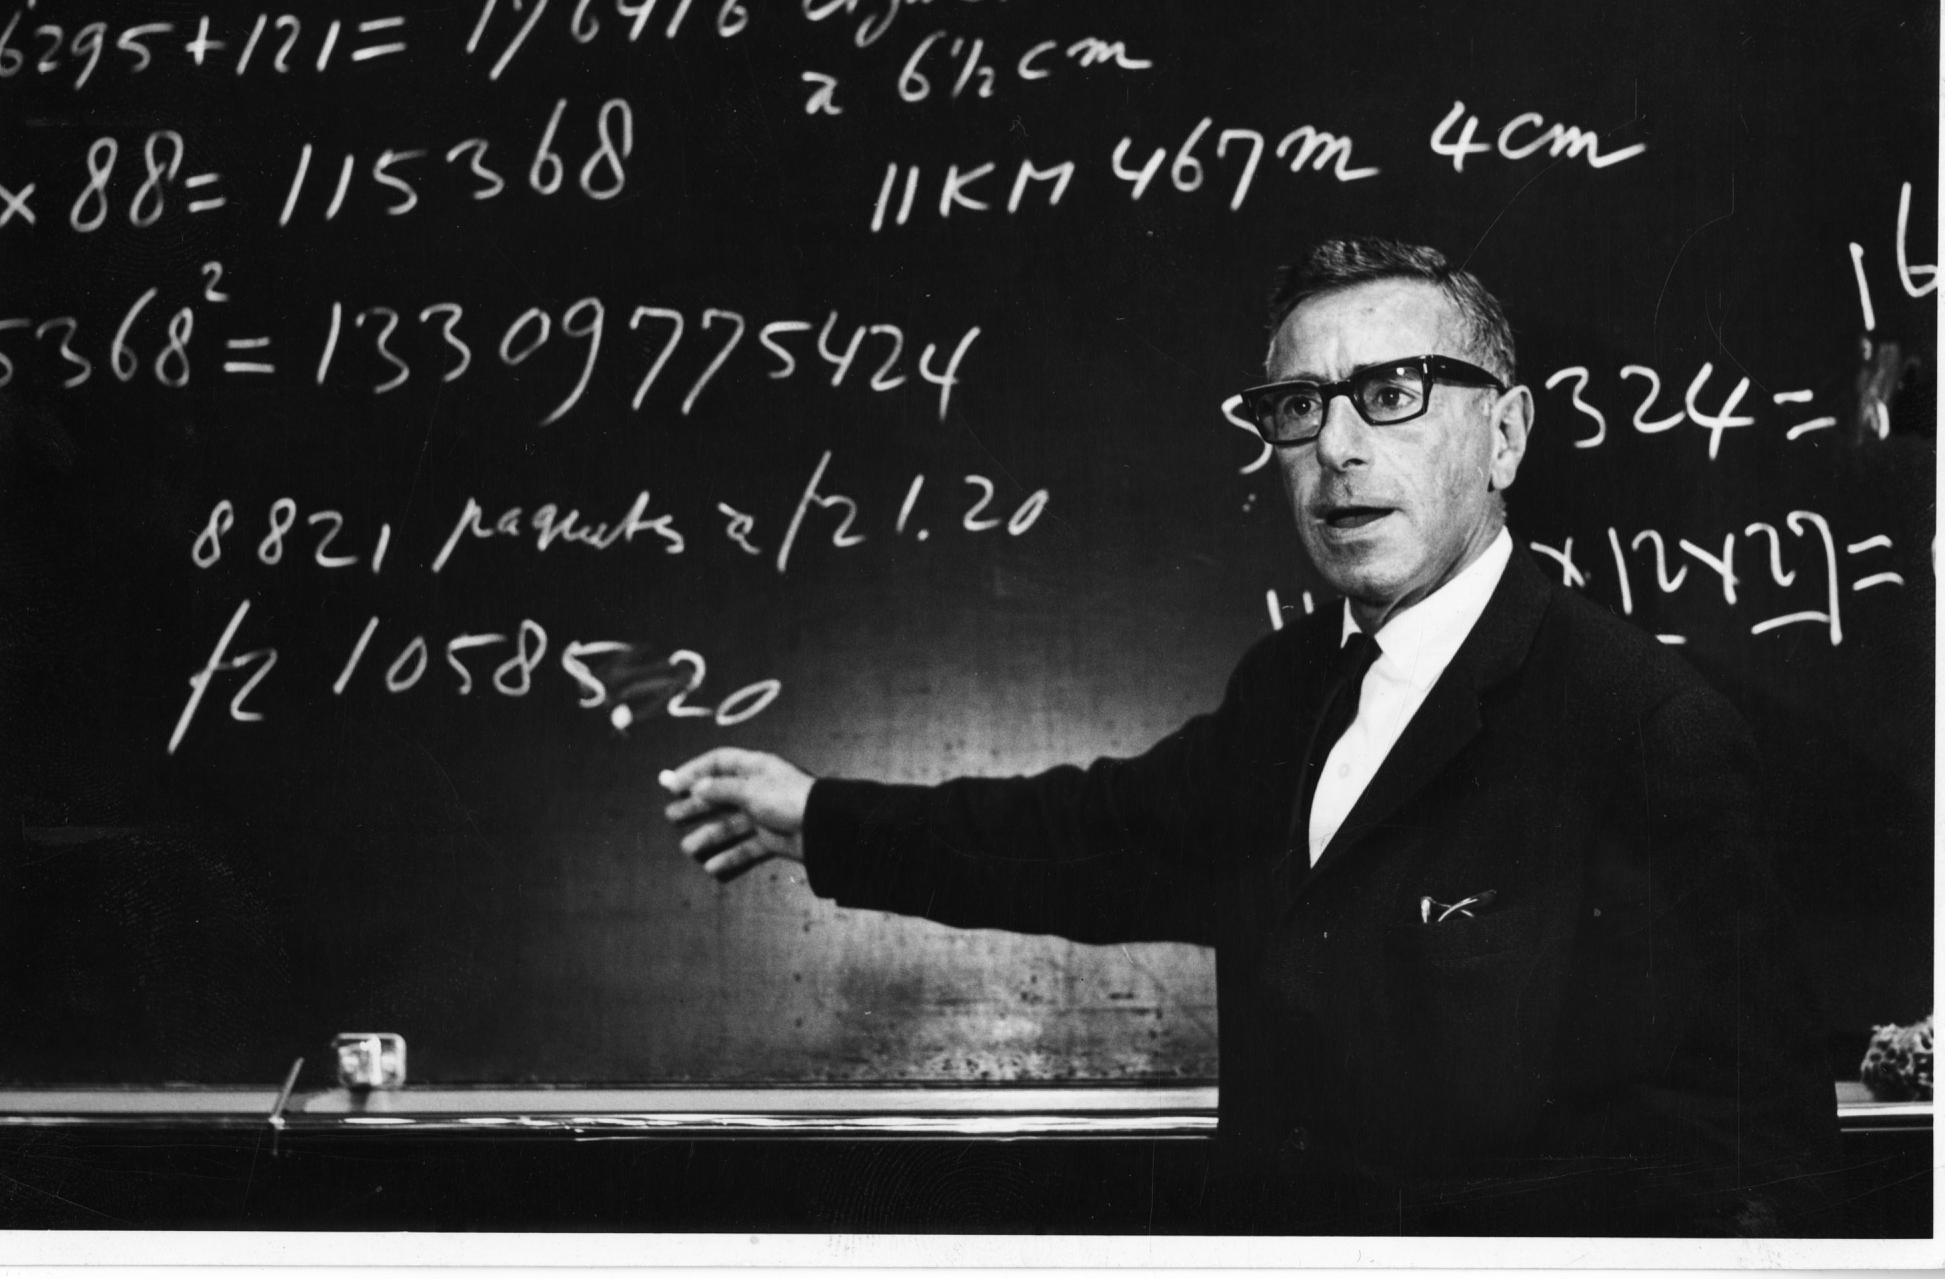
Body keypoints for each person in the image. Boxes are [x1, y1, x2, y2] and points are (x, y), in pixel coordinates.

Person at [659, 238, 1840, 1236]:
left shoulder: (1643, 729)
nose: (1335, 446)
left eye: (1391, 392)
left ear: (1504, 435)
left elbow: (1755, 1175)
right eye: (1297, 406)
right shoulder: (1287, 689)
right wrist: (813, 817)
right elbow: (1080, 836)